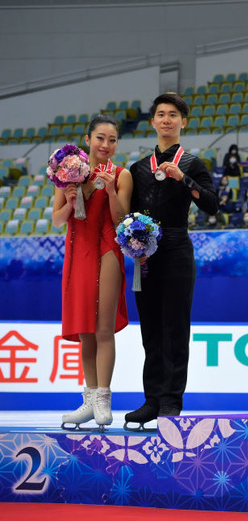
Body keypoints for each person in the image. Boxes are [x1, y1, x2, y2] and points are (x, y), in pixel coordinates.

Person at [125, 92, 218, 429]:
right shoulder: (137, 169)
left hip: (178, 248)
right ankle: (151, 399)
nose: (166, 119)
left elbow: (212, 205)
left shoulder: (193, 164)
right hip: (145, 253)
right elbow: (126, 212)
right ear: (153, 122)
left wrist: (183, 178)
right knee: (150, 329)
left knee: (175, 328)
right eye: (161, 114)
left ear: (183, 122)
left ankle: (171, 401)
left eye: (173, 115)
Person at [53, 114, 131, 431]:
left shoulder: (121, 175)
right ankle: (89, 398)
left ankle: (103, 398)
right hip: (78, 251)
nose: (106, 145)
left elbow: (121, 217)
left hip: (108, 247)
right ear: (88, 139)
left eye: (112, 140)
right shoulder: (67, 173)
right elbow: (57, 220)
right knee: (86, 330)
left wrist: (112, 192)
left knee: (103, 328)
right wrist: (70, 201)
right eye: (100, 138)